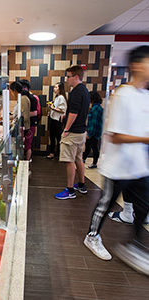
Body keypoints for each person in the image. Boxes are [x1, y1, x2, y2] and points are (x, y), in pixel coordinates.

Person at [83, 46, 149, 274]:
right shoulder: (122, 95)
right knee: (106, 204)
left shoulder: (146, 96)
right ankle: (92, 237)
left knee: (144, 207)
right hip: (118, 166)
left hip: (139, 166)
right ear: (137, 66)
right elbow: (117, 135)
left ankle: (135, 244)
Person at [55, 66, 90, 200]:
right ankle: (81, 184)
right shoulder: (85, 90)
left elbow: (74, 113)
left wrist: (66, 129)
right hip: (81, 131)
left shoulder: (76, 92)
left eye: (68, 76)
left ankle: (70, 190)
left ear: (76, 77)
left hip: (73, 132)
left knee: (69, 161)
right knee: (78, 158)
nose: (67, 79)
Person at [18, 80, 38, 161]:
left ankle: (27, 162)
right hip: (24, 124)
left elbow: (35, 113)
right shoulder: (23, 97)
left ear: (25, 88)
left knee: (28, 145)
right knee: (23, 144)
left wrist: (22, 114)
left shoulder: (32, 98)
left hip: (31, 125)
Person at [82, 91, 103, 168]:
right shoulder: (96, 107)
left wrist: (89, 133)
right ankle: (83, 159)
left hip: (94, 132)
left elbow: (94, 122)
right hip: (94, 131)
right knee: (89, 146)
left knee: (94, 147)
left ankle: (94, 163)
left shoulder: (96, 108)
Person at [47, 82, 67, 159]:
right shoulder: (57, 97)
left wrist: (52, 108)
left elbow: (62, 110)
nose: (54, 88)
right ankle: (53, 153)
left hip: (57, 120)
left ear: (60, 89)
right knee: (52, 137)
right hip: (53, 119)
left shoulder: (61, 97)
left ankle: (57, 154)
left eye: (56, 87)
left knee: (57, 137)